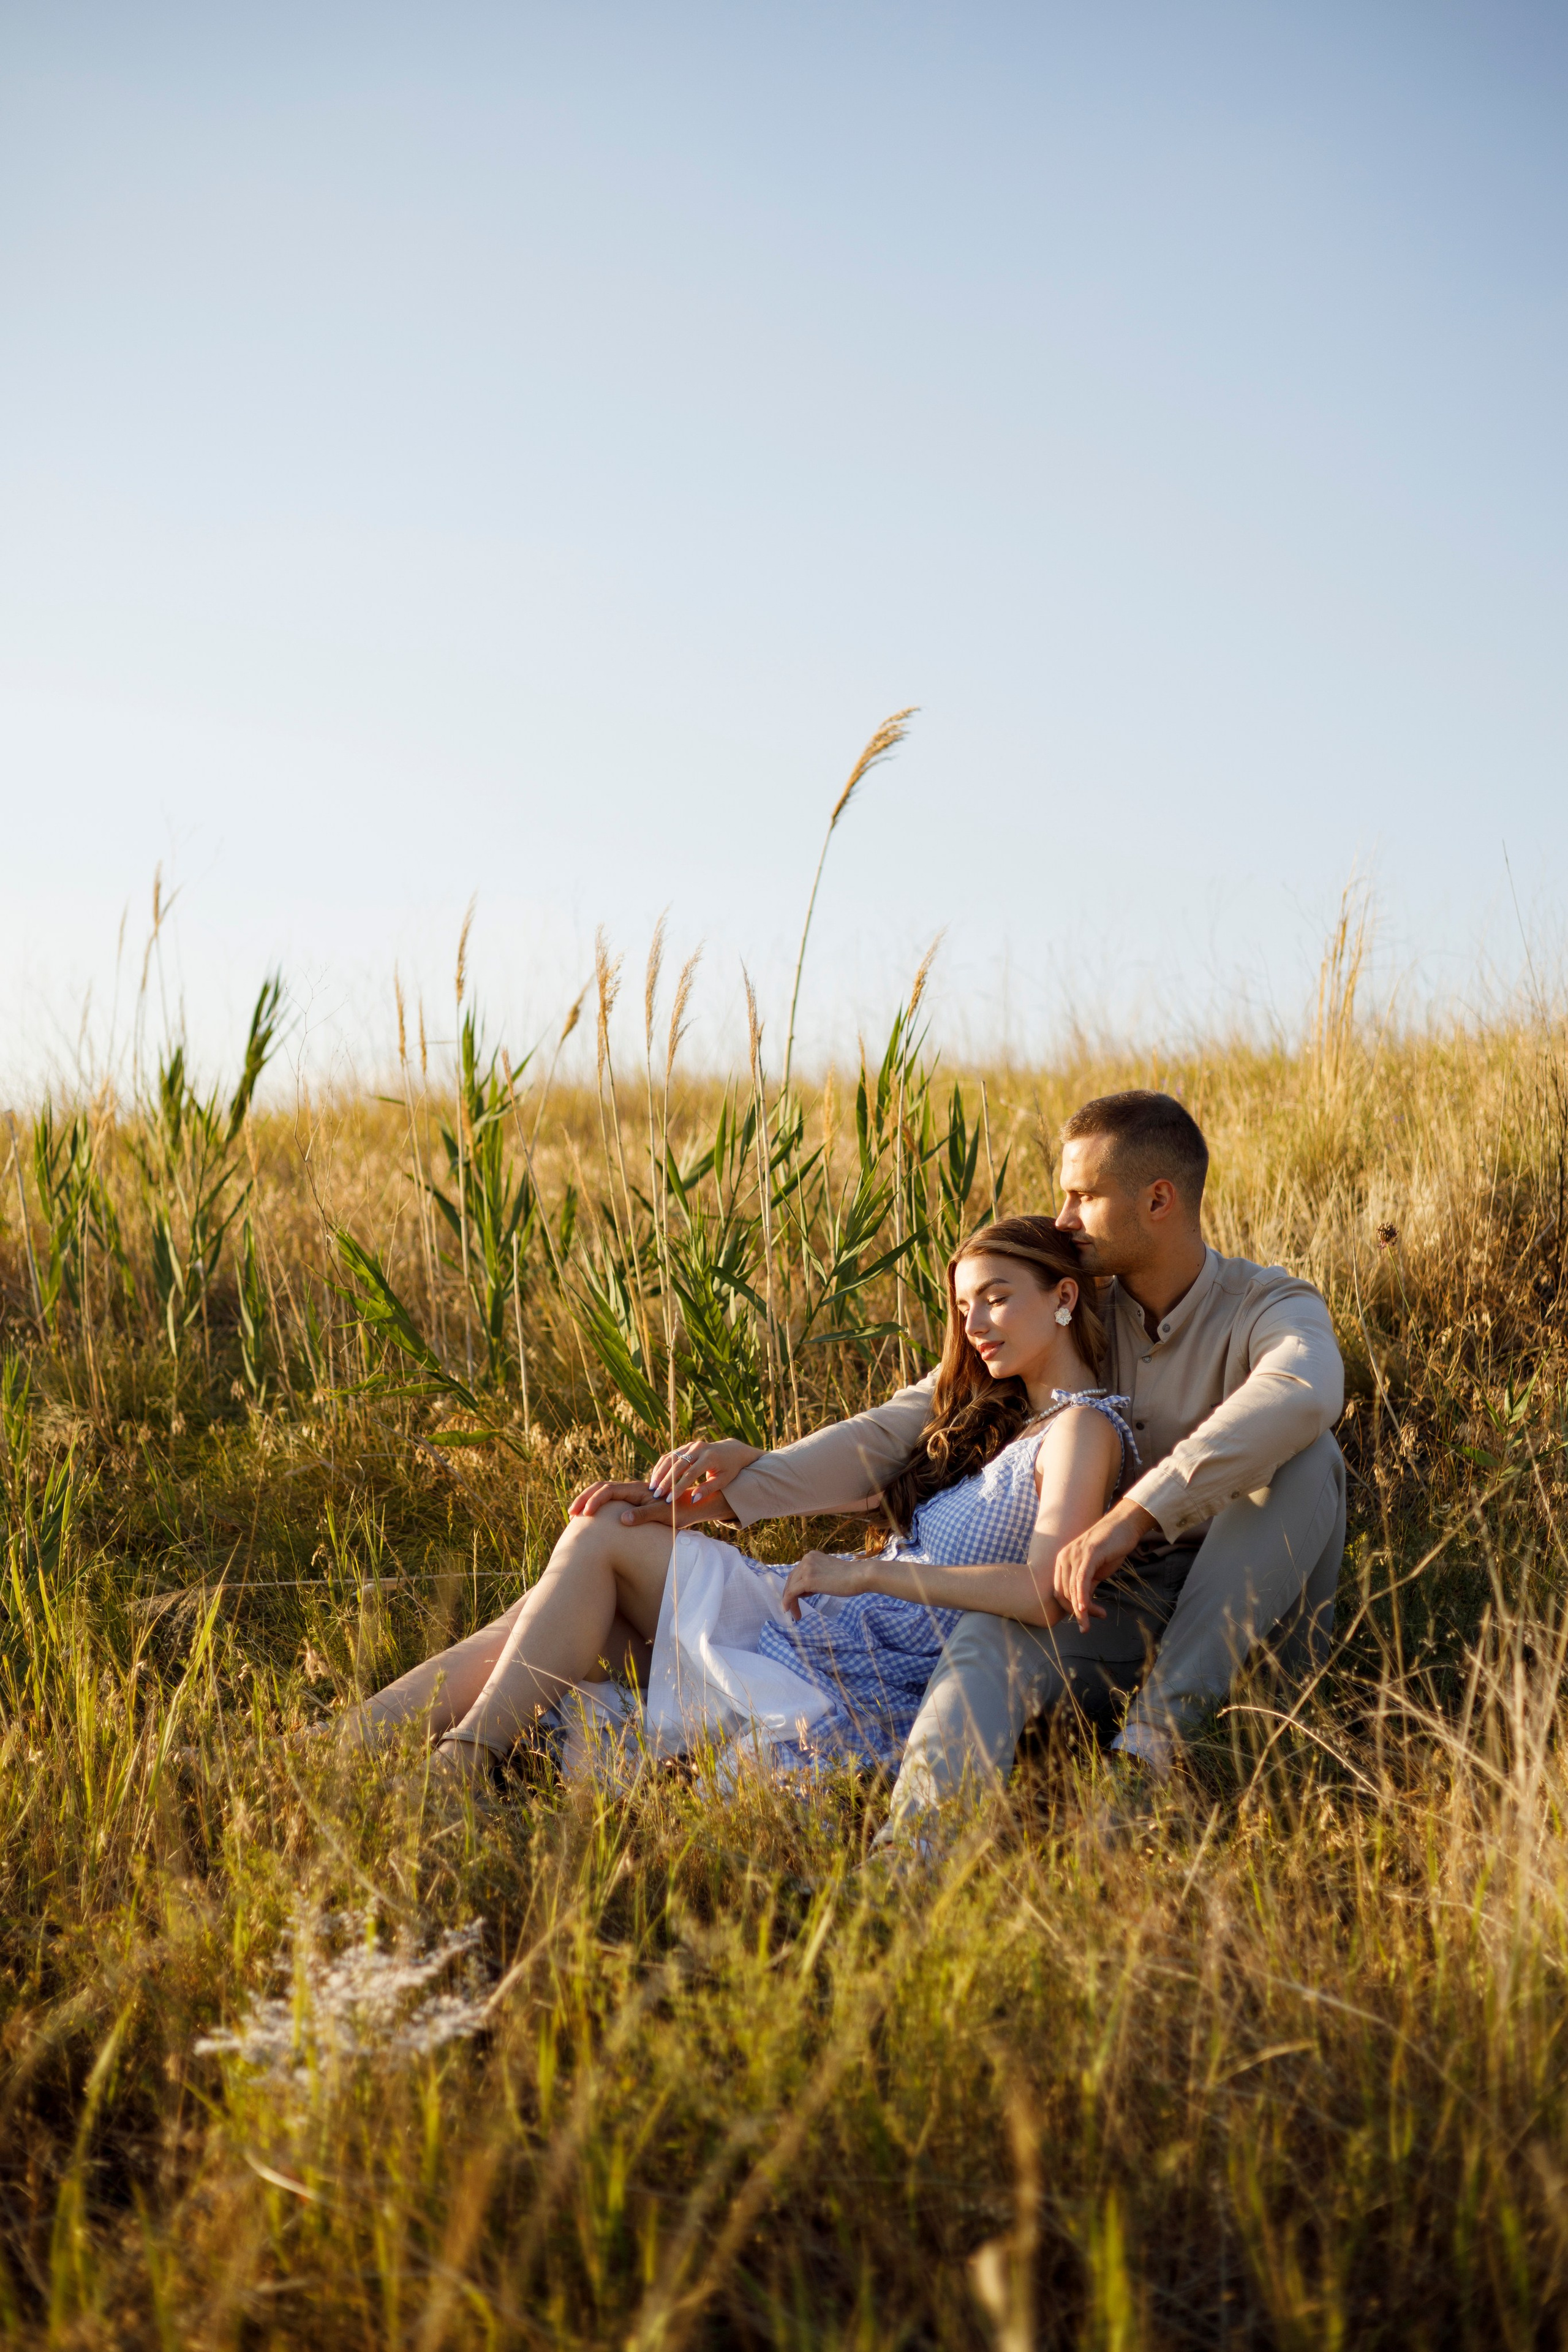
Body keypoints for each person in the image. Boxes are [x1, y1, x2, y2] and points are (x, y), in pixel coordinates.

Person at [584, 1090, 1346, 1834]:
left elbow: (1301, 1393)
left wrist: (1136, 1512)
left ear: (1157, 1200)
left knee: (1309, 1455)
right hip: (1105, 1606)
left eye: (1082, 1196)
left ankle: (1147, 1758)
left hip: (1239, 1612)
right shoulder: (1075, 1310)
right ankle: (909, 1859)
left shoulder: (1267, 1304)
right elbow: (909, 1421)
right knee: (984, 1634)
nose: (1062, 1219)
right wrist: (741, 1489)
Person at [347, 1218, 1138, 1782]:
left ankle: (435, 1759)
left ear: (1064, 1296)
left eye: (996, 1298)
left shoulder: (1081, 1432)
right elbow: (867, 1467)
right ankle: (365, 1747)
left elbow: (1041, 1591)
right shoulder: (993, 1414)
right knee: (579, 1572)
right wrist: (732, 1478)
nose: (974, 1327)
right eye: (964, 1308)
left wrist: (866, 1575)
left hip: (854, 1657)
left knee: (597, 1548)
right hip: (817, 1621)